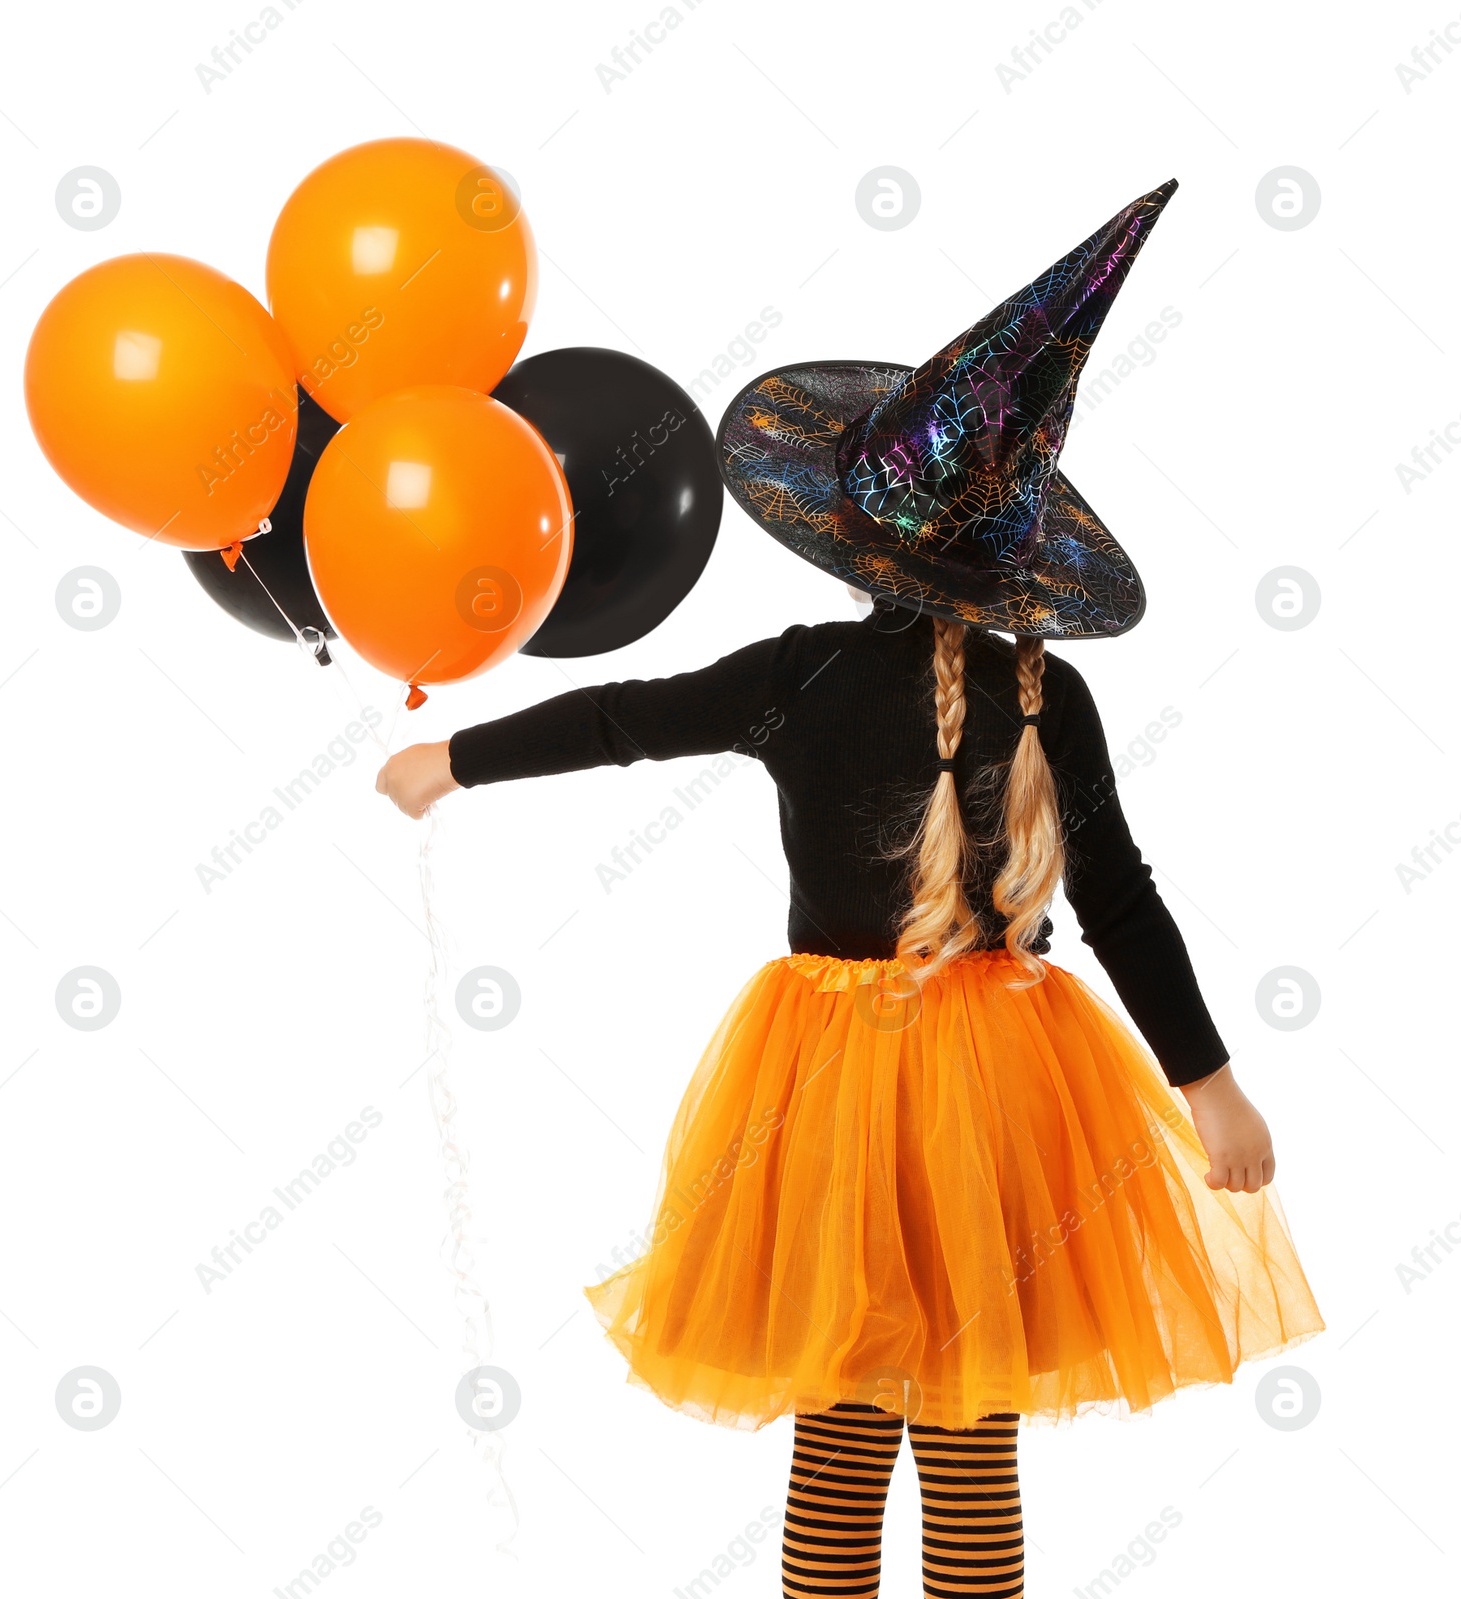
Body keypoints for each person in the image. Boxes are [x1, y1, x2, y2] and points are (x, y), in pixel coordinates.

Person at [376, 180, 1322, 1599]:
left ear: (850, 531)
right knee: (971, 1430)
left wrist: (454, 757)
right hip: (1012, 1088)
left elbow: (626, 718)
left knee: (839, 1421)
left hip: (825, 1083)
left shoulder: (799, 674)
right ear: (1017, 559)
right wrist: (1207, 1083)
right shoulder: (1041, 690)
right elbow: (1117, 896)